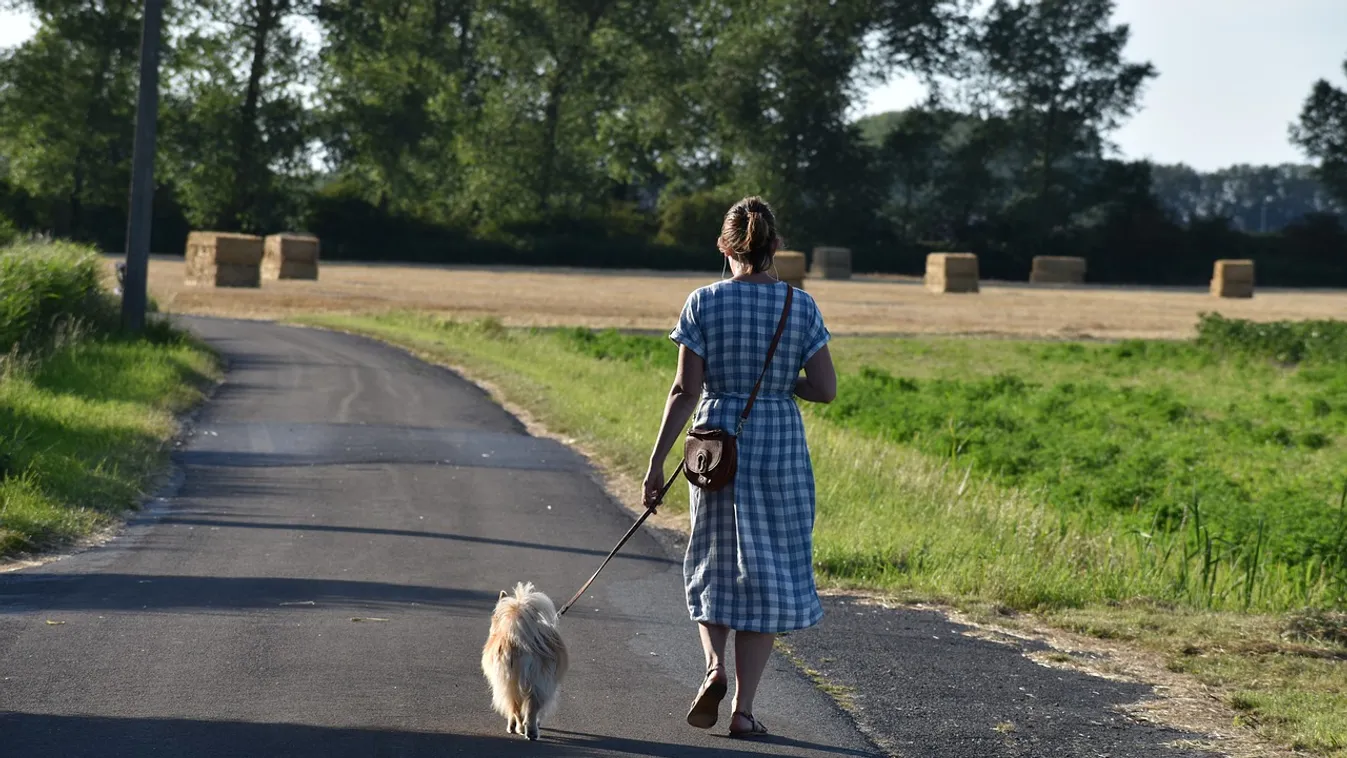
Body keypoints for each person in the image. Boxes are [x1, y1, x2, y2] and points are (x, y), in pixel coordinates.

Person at [642, 196, 837, 738]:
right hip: (777, 444)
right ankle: (745, 712)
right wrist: (780, 385)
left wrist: (656, 463)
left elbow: (685, 389)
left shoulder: (702, 302)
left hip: (715, 447)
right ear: (776, 247)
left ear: (723, 247)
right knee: (769, 569)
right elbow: (825, 389)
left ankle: (712, 667)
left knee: (713, 558)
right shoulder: (801, 307)